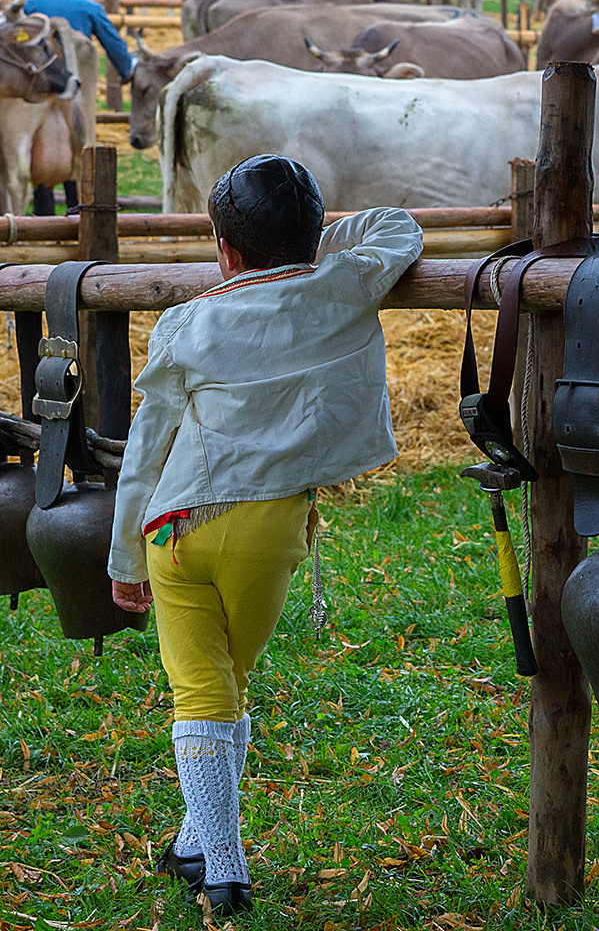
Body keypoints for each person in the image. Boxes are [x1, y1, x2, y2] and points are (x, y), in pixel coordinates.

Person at [108, 156, 423, 918]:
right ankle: (199, 846)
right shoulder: (344, 287)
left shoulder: (186, 323)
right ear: (312, 237)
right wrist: (314, 239)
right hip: (273, 529)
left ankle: (223, 865)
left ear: (223, 248)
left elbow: (146, 446)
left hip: (177, 528)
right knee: (225, 688)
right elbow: (399, 227)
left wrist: (122, 558)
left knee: (201, 691)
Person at [21, 0, 135, 216]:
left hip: (39, 87)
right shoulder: (89, 6)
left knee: (40, 140)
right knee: (79, 137)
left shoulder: (31, 4)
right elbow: (114, 46)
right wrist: (127, 70)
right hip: (78, 85)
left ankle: (43, 215)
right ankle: (77, 210)